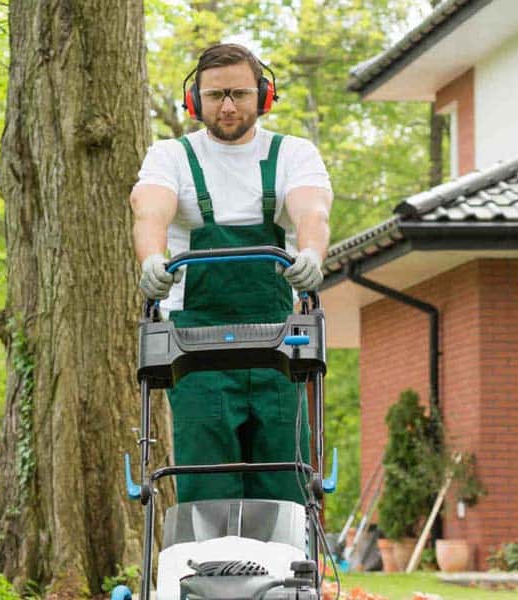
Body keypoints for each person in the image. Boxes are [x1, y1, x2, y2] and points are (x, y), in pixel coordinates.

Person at [129, 43, 333, 505]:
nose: (226, 106)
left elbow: (312, 210)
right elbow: (149, 209)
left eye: (238, 94)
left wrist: (311, 254)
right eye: (215, 95)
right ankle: (206, 553)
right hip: (194, 353)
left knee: (284, 484)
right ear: (194, 99)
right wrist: (151, 259)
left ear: (263, 95)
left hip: (280, 347)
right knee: (206, 484)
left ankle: (289, 553)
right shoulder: (171, 156)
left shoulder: (292, 154)